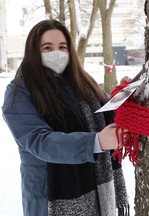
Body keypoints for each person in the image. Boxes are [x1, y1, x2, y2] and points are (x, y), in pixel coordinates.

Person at [2, 19, 129, 216]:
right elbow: (39, 141)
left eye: (62, 47)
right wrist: (96, 142)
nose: (57, 53)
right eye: (47, 47)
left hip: (94, 187)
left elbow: (106, 112)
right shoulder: (20, 91)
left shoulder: (82, 82)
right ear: (33, 51)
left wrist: (124, 96)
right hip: (49, 196)